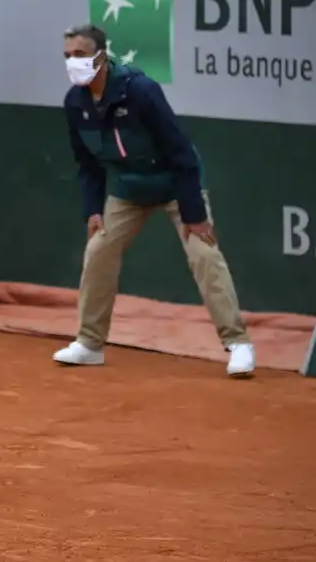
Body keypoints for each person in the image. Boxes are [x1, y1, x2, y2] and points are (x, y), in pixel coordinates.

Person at [54, 23, 256, 377]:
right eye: (67, 56)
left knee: (204, 253)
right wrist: (92, 210)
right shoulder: (75, 102)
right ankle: (89, 344)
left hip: (174, 183)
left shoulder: (140, 91)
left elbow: (181, 152)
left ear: (101, 56)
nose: (73, 62)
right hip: (128, 190)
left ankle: (238, 343)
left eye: (80, 54)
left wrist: (194, 213)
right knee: (98, 251)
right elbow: (87, 164)